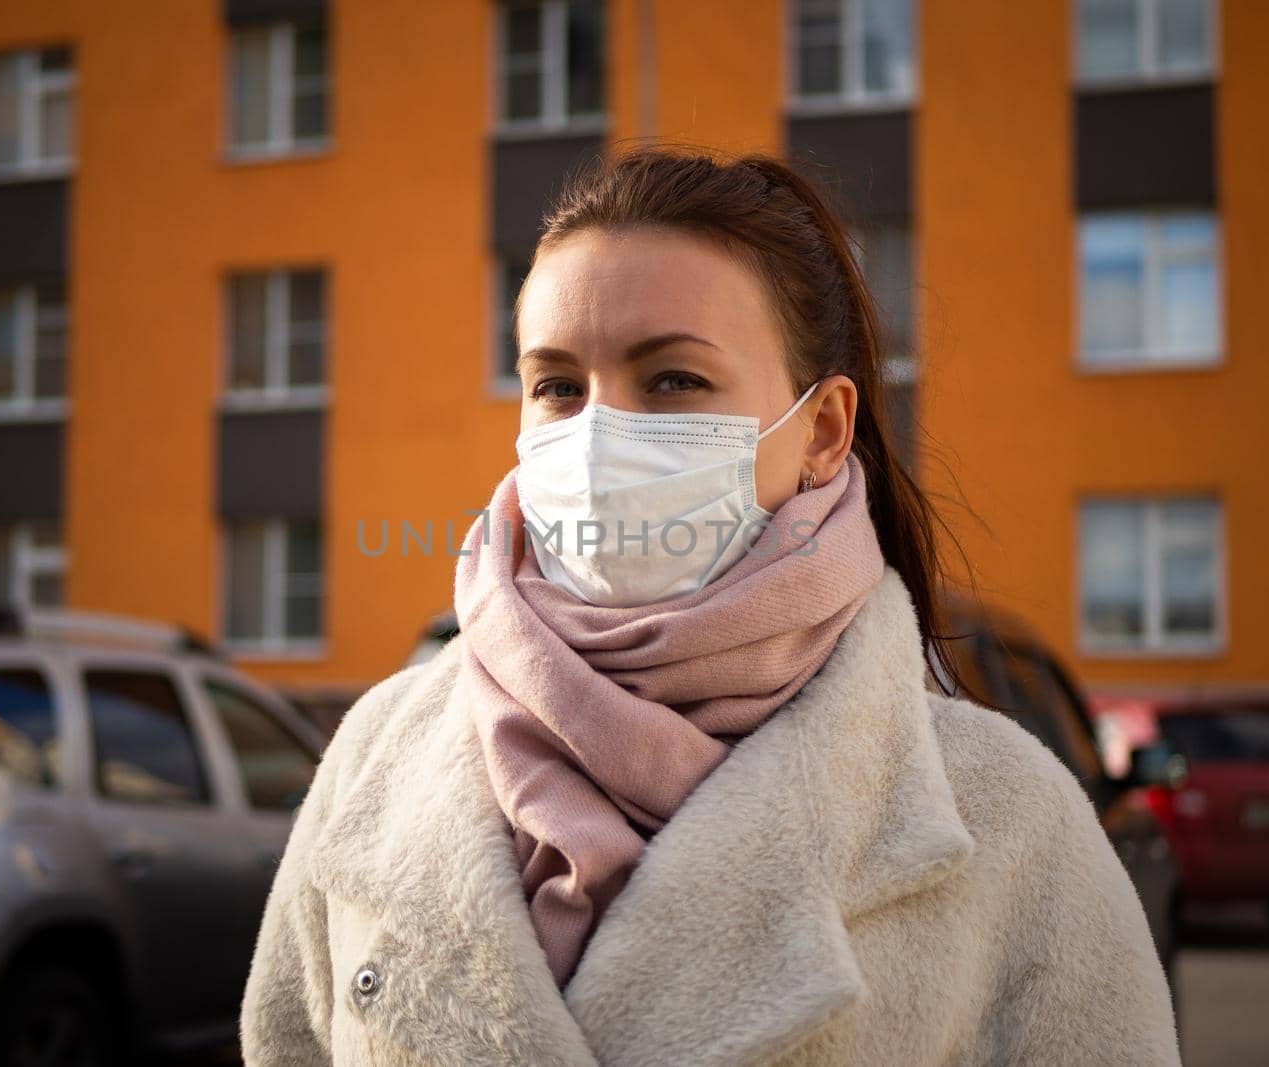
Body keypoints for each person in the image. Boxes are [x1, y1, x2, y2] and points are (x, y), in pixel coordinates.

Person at [240, 146, 1180, 1066]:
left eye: (674, 380)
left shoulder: (1010, 818)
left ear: (822, 429)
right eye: (558, 385)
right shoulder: (377, 755)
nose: (602, 431)